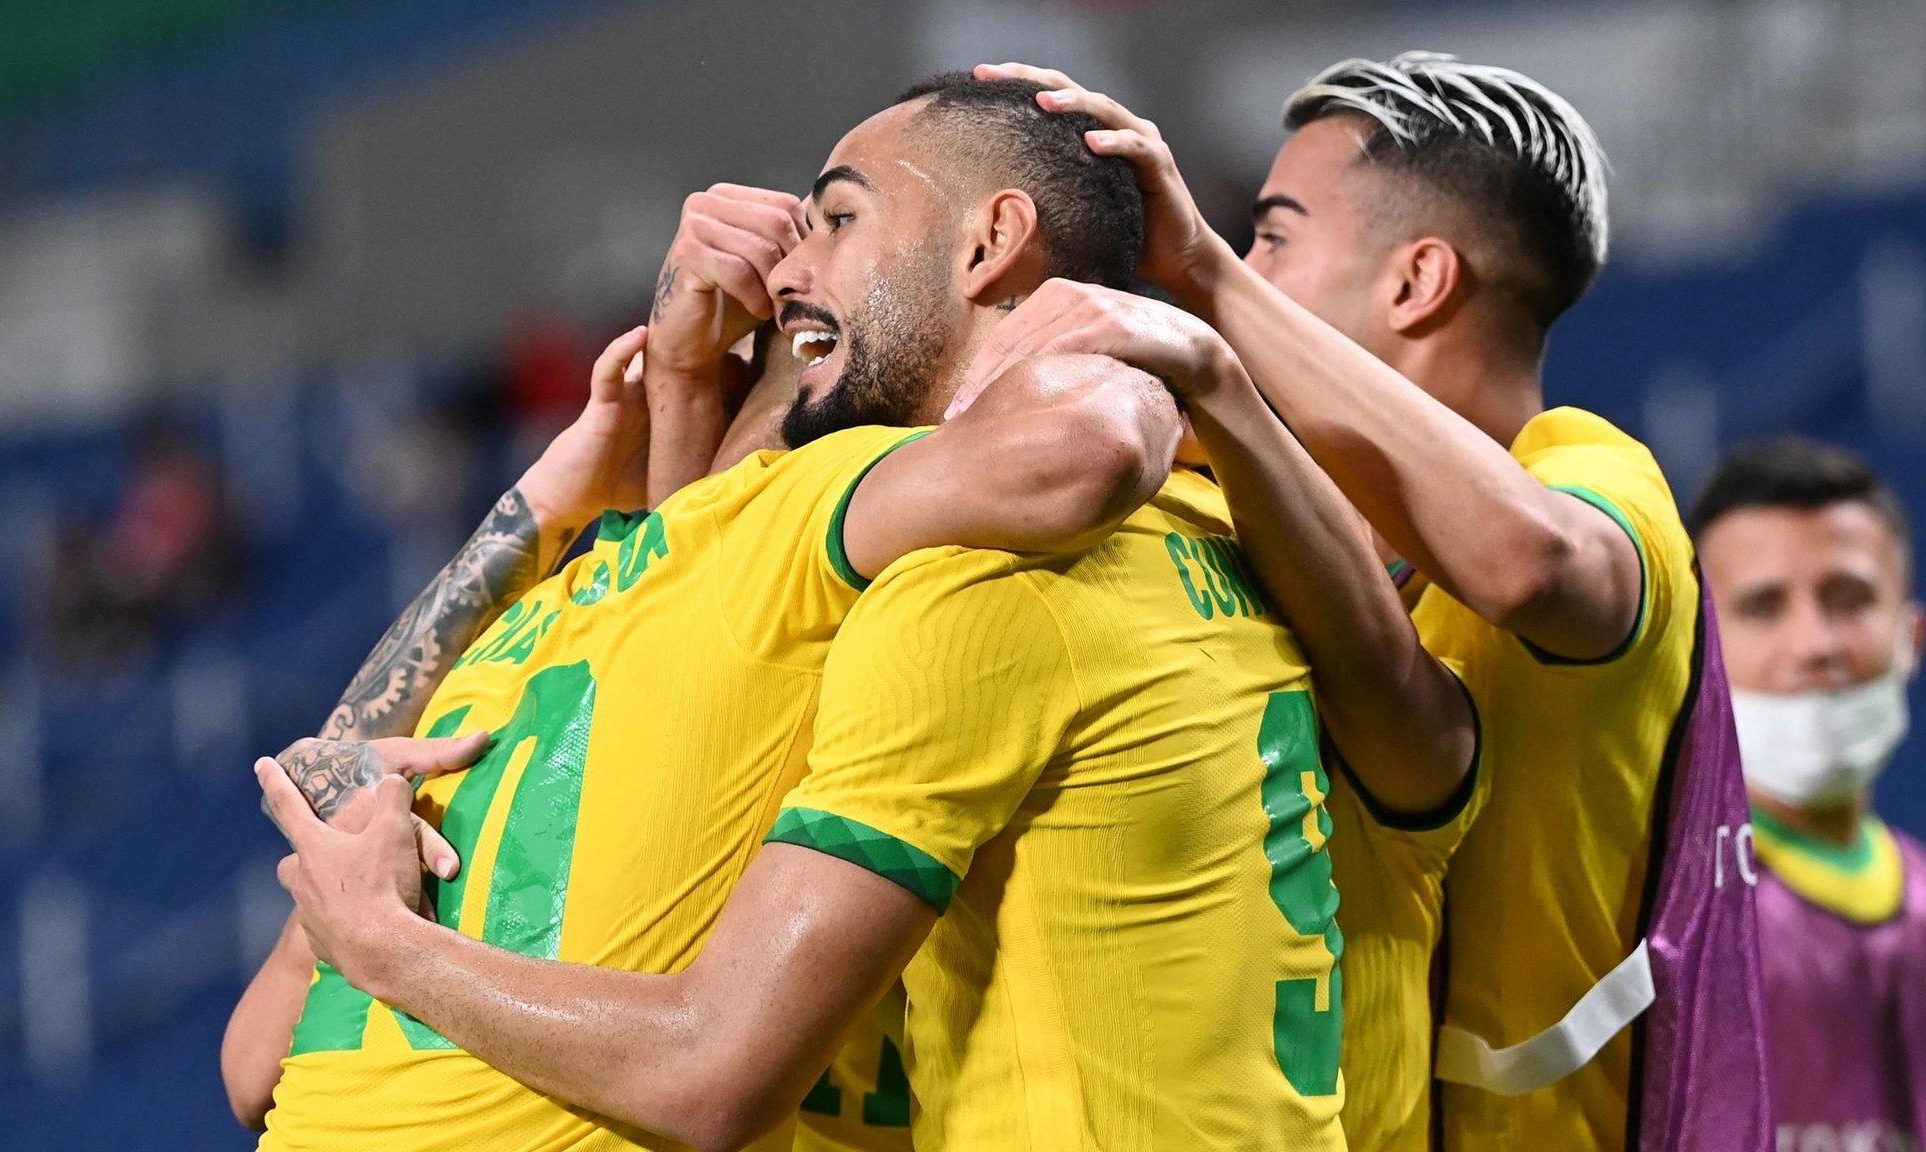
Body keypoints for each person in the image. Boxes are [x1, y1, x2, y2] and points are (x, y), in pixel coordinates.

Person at [256, 72, 1475, 1152]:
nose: (784, 271)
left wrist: (384, 943)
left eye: (836, 220)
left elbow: (709, 1067)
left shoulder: (970, 586)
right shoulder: (1272, 554)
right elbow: (708, 595)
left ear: (989, 242)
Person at [226, 146, 1185, 1150]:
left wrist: (1172, 349)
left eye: (833, 230)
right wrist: (558, 488)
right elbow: (253, 1062)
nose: (782, 275)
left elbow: (1083, 449)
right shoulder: (564, 602)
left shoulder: (791, 521)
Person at [974, 52, 1768, 1151]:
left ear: (1416, 282)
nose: (1235, 266)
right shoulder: (1258, 499)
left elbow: (1530, 563)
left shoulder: (1590, 476)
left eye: (1271, 238)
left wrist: (1208, 282)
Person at [1693, 436, 1926, 1152]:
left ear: (1912, 638)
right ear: (1695, 648)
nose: (1815, 644)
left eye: (1848, 599)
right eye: (1763, 606)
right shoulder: (1648, 899)